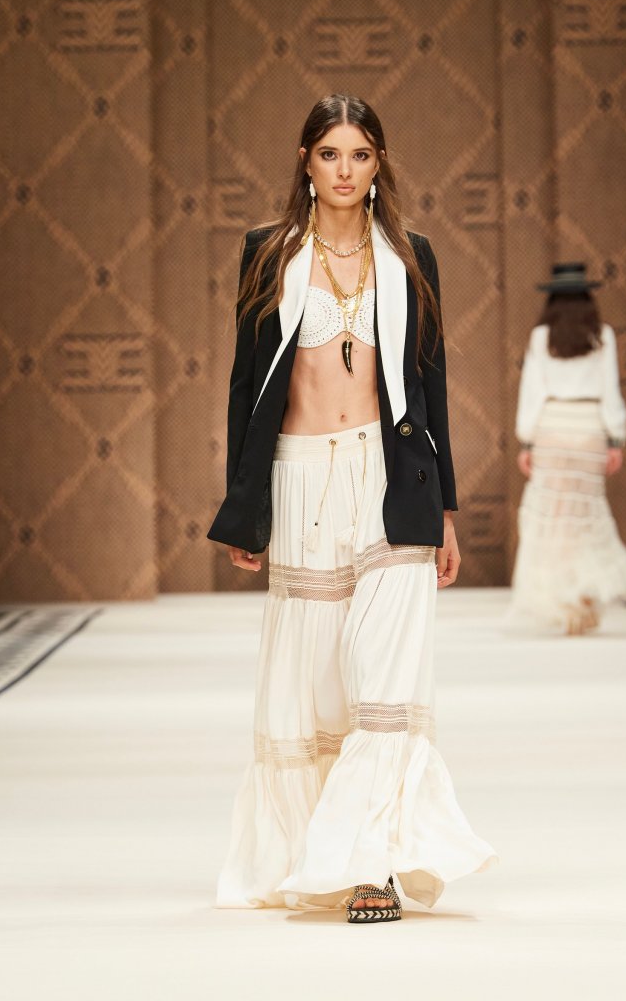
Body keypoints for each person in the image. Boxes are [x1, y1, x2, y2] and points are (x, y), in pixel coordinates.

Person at [207, 94, 499, 923]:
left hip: (390, 478)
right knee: (319, 683)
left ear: (379, 165)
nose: (344, 170)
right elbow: (245, 387)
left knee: (385, 681)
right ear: (305, 161)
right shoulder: (268, 253)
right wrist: (246, 507)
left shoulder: (409, 256)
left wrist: (443, 510)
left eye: (360, 154)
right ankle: (321, 853)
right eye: (329, 153)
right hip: (301, 481)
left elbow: (429, 384)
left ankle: (371, 864)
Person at [508, 262, 626, 634]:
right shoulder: (602, 335)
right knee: (584, 518)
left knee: (555, 520)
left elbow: (532, 391)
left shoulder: (542, 337)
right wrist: (615, 438)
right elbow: (610, 390)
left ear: (552, 299)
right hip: (588, 431)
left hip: (552, 429)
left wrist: (527, 440)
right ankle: (581, 601)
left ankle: (566, 603)